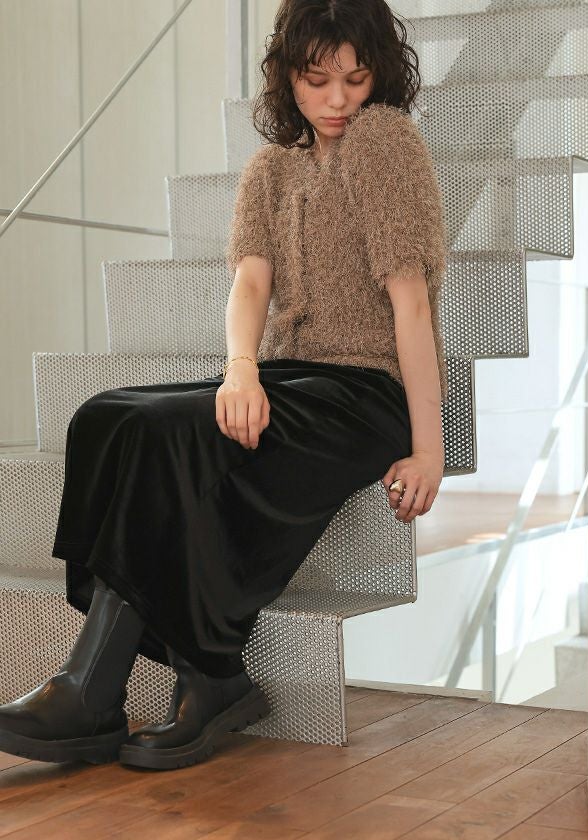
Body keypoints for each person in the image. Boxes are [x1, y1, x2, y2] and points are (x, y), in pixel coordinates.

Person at [0, 0, 449, 772]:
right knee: (108, 416)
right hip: (286, 375)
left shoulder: (384, 140)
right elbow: (250, 285)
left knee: (167, 434)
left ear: (379, 75)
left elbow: (411, 301)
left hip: (363, 390)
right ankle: (189, 681)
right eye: (316, 80)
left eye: (355, 79)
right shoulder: (270, 169)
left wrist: (429, 448)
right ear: (287, 76)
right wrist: (240, 370)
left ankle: (105, 688)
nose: (337, 100)